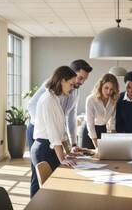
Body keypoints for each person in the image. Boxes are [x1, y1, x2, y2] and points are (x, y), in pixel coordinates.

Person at [26, 59, 92, 198]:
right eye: (73, 82)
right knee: (41, 182)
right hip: (43, 140)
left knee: (55, 183)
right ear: (63, 80)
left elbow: (64, 125)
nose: (76, 85)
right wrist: (42, 122)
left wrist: (69, 149)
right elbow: (52, 131)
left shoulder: (59, 97)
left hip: (52, 141)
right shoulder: (49, 97)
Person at [30, 66, 77, 197]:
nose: (73, 87)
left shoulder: (56, 98)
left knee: (56, 189)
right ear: (62, 81)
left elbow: (61, 130)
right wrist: (62, 158)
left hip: (50, 147)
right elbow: (53, 133)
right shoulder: (48, 100)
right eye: (71, 84)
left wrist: (68, 152)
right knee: (46, 191)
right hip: (44, 149)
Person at [79, 73, 120, 149]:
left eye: (111, 89)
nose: (108, 92)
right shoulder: (91, 99)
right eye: (106, 88)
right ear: (101, 86)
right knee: (88, 158)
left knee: (104, 157)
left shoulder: (113, 100)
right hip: (88, 131)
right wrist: (97, 146)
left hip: (102, 129)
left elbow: (112, 119)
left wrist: (113, 136)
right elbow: (90, 124)